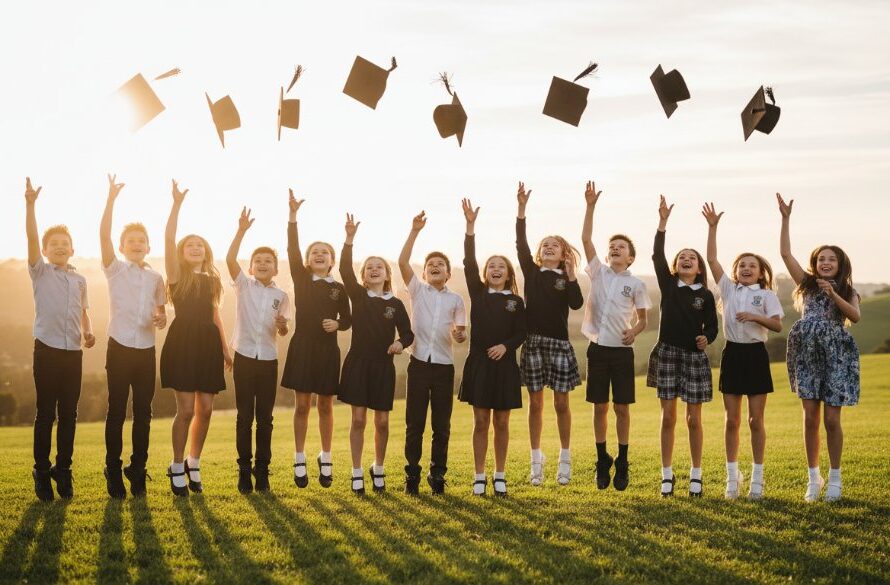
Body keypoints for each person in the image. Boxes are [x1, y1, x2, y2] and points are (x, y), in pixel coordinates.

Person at [778, 193, 860, 502]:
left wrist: (834, 294)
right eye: (821, 259)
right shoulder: (807, 285)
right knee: (810, 418)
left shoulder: (849, 291)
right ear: (815, 264)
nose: (825, 262)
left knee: (831, 420)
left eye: (831, 259)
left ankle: (835, 478)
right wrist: (786, 219)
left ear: (840, 265)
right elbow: (786, 254)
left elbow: (854, 316)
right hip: (807, 354)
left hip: (836, 356)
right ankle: (814, 478)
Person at [702, 202, 783, 500]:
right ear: (736, 271)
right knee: (732, 420)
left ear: (761, 273)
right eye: (742, 265)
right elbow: (711, 259)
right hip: (733, 354)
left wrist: (755, 317)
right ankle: (732, 478)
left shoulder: (767, 295)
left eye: (752, 265)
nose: (746, 268)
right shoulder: (728, 289)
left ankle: (757, 480)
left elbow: (777, 325)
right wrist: (713, 228)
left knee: (755, 421)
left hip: (756, 355)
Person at [160, 179, 232, 496]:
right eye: (189, 245)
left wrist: (225, 349)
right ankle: (177, 465)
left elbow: (215, 315)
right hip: (183, 343)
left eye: (199, 245)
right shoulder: (177, 275)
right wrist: (176, 205)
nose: (194, 247)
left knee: (206, 409)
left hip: (208, 345)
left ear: (206, 251)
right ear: (182, 252)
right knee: (186, 410)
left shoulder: (213, 279)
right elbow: (168, 238)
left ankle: (193, 462)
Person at [25, 177, 95, 501]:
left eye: (65, 243)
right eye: (53, 244)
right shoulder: (40, 271)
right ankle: (41, 470)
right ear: (44, 250)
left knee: (70, 414)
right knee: (46, 414)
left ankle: (63, 469)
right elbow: (31, 237)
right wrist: (30, 206)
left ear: (72, 249)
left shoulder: (80, 280)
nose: (60, 247)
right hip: (46, 350)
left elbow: (84, 313)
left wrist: (88, 331)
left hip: (73, 353)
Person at [99, 173, 166, 498]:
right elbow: (103, 235)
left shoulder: (156, 278)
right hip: (119, 346)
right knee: (116, 411)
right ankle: (112, 469)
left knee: (144, 413)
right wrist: (111, 199)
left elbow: (161, 313)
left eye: (142, 241)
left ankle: (137, 469)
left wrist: (161, 318)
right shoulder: (115, 269)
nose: (137, 244)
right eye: (131, 241)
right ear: (122, 247)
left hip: (146, 350)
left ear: (148, 247)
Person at [580, 181, 650, 491]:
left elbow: (643, 319)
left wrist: (634, 331)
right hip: (597, 350)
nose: (615, 249)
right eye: (612, 246)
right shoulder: (598, 271)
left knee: (622, 408)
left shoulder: (636, 284)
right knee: (600, 407)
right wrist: (590, 206)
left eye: (621, 247)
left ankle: (622, 460)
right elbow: (585, 239)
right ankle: (601, 459)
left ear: (630, 258)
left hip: (621, 352)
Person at [338, 213, 414, 494]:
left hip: (383, 367)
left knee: (381, 422)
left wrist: (400, 344)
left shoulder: (396, 304)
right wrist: (349, 239)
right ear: (364, 276)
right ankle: (357, 471)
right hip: (358, 364)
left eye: (378, 266)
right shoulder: (358, 296)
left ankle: (378, 468)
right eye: (369, 267)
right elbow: (344, 269)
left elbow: (408, 334)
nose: (373, 269)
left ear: (386, 274)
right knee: (358, 420)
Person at [647, 195, 717, 497]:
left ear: (699, 268)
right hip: (668, 353)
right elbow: (656, 255)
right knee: (668, 417)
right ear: (676, 266)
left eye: (692, 257)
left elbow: (712, 326)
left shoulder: (706, 295)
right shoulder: (669, 285)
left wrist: (707, 338)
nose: (687, 259)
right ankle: (666, 475)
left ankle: (695, 475)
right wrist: (662, 223)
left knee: (693, 419)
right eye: (682, 257)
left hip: (694, 358)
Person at [281, 191, 351, 489]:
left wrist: (337, 323)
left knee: (325, 406)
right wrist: (293, 216)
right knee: (302, 406)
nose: (319, 255)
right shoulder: (301, 278)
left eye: (324, 252)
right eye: (314, 252)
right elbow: (292, 248)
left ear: (332, 260)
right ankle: (299, 457)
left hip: (327, 351)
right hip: (303, 347)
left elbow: (348, 319)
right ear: (308, 261)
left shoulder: (339, 288)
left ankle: (326, 456)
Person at [515, 182, 584, 486]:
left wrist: (571, 276)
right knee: (536, 404)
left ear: (564, 253)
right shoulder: (532, 272)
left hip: (559, 345)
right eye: (545, 245)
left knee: (561, 404)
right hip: (533, 344)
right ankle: (536, 460)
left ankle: (564, 459)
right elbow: (520, 244)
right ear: (539, 253)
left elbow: (576, 303)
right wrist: (521, 210)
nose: (549, 247)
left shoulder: (566, 279)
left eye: (554, 245)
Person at [458, 198, 527, 497]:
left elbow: (522, 332)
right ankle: (479, 476)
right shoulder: (478, 293)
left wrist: (506, 347)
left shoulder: (516, 301)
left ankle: (500, 475)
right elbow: (468, 262)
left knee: (501, 421)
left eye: (501, 267)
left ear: (509, 274)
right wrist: (470, 228)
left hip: (505, 365)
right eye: (492, 266)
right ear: (486, 273)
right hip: (480, 364)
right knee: (481, 421)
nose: (496, 269)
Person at [398, 211, 467, 495]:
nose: (435, 266)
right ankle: (412, 475)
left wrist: (460, 335)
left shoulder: (456, 299)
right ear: (424, 273)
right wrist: (415, 231)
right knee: (414, 424)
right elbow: (403, 262)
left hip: (443, 367)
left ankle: (437, 474)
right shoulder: (417, 290)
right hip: (418, 364)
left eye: (441, 264)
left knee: (442, 426)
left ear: (448, 273)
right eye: (430, 265)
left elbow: (461, 333)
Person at [226, 207, 292, 493]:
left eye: (268, 261)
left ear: (276, 269)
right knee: (244, 418)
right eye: (258, 261)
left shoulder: (282, 295)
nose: (263, 264)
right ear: (251, 267)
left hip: (268, 360)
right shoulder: (244, 285)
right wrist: (241, 231)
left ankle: (262, 471)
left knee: (265, 419)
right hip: (243, 357)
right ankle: (244, 470)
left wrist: (282, 326)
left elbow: (284, 330)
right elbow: (230, 259)